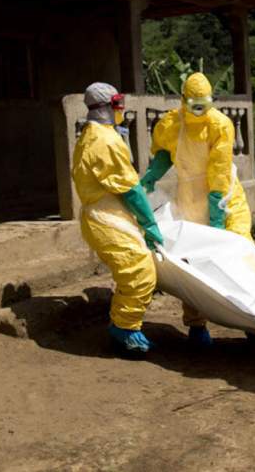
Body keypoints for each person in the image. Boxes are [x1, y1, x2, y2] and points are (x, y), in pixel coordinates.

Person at [139, 72, 253, 347]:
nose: (200, 110)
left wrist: (216, 221)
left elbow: (219, 173)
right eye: (195, 105)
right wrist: (152, 176)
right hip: (189, 200)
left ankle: (253, 322)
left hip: (224, 199)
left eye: (204, 104)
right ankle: (197, 325)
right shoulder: (172, 123)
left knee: (238, 253)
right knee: (192, 264)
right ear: (183, 101)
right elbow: (165, 152)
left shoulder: (220, 125)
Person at [72, 83, 163, 355]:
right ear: (108, 107)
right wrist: (149, 223)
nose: (121, 108)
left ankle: (125, 321)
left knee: (135, 268)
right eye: (118, 103)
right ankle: (124, 327)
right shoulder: (106, 141)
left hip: (106, 212)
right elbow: (130, 190)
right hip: (104, 216)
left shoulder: (94, 134)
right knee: (139, 269)